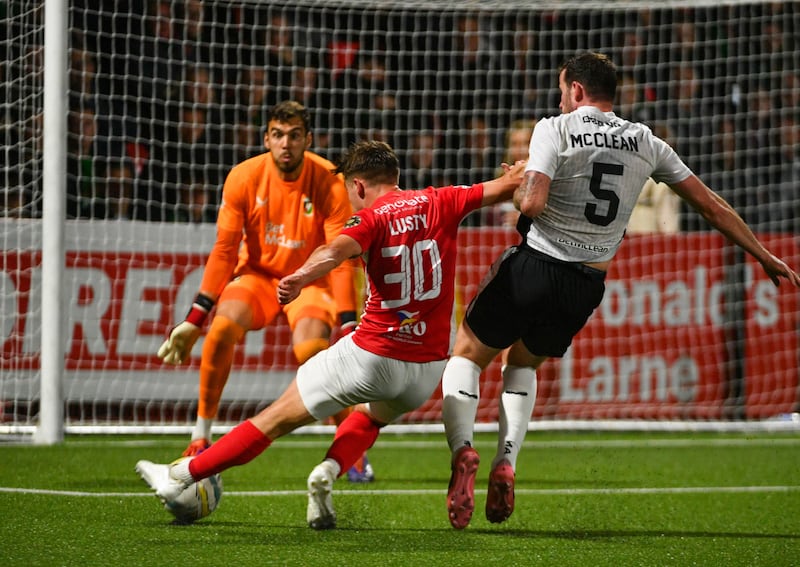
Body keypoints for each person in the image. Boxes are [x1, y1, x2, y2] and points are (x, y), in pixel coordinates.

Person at [441, 51, 800, 530]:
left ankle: (465, 451)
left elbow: (531, 201)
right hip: (584, 283)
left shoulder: (556, 127)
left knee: (467, 352)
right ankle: (507, 459)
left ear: (576, 90)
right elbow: (710, 205)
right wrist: (763, 255)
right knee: (522, 362)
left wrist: (521, 177)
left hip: (535, 263)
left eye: (562, 89)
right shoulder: (646, 141)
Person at [136, 140, 526, 529]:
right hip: (425, 372)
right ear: (396, 176)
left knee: (274, 419)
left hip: (373, 356)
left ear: (358, 186)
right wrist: (516, 173)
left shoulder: (370, 218)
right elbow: (508, 185)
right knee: (370, 419)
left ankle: (180, 478)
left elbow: (333, 252)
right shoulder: (444, 199)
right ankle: (326, 472)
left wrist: (299, 278)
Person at [155, 101, 371, 479]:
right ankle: (201, 436)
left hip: (308, 280)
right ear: (266, 138)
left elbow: (339, 256)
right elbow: (224, 251)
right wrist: (195, 318)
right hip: (258, 277)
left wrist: (349, 323)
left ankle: (350, 445)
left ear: (308, 139)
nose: (285, 143)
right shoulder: (243, 177)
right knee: (220, 331)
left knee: (311, 351)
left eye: (293, 135)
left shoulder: (329, 180)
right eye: (277, 135)